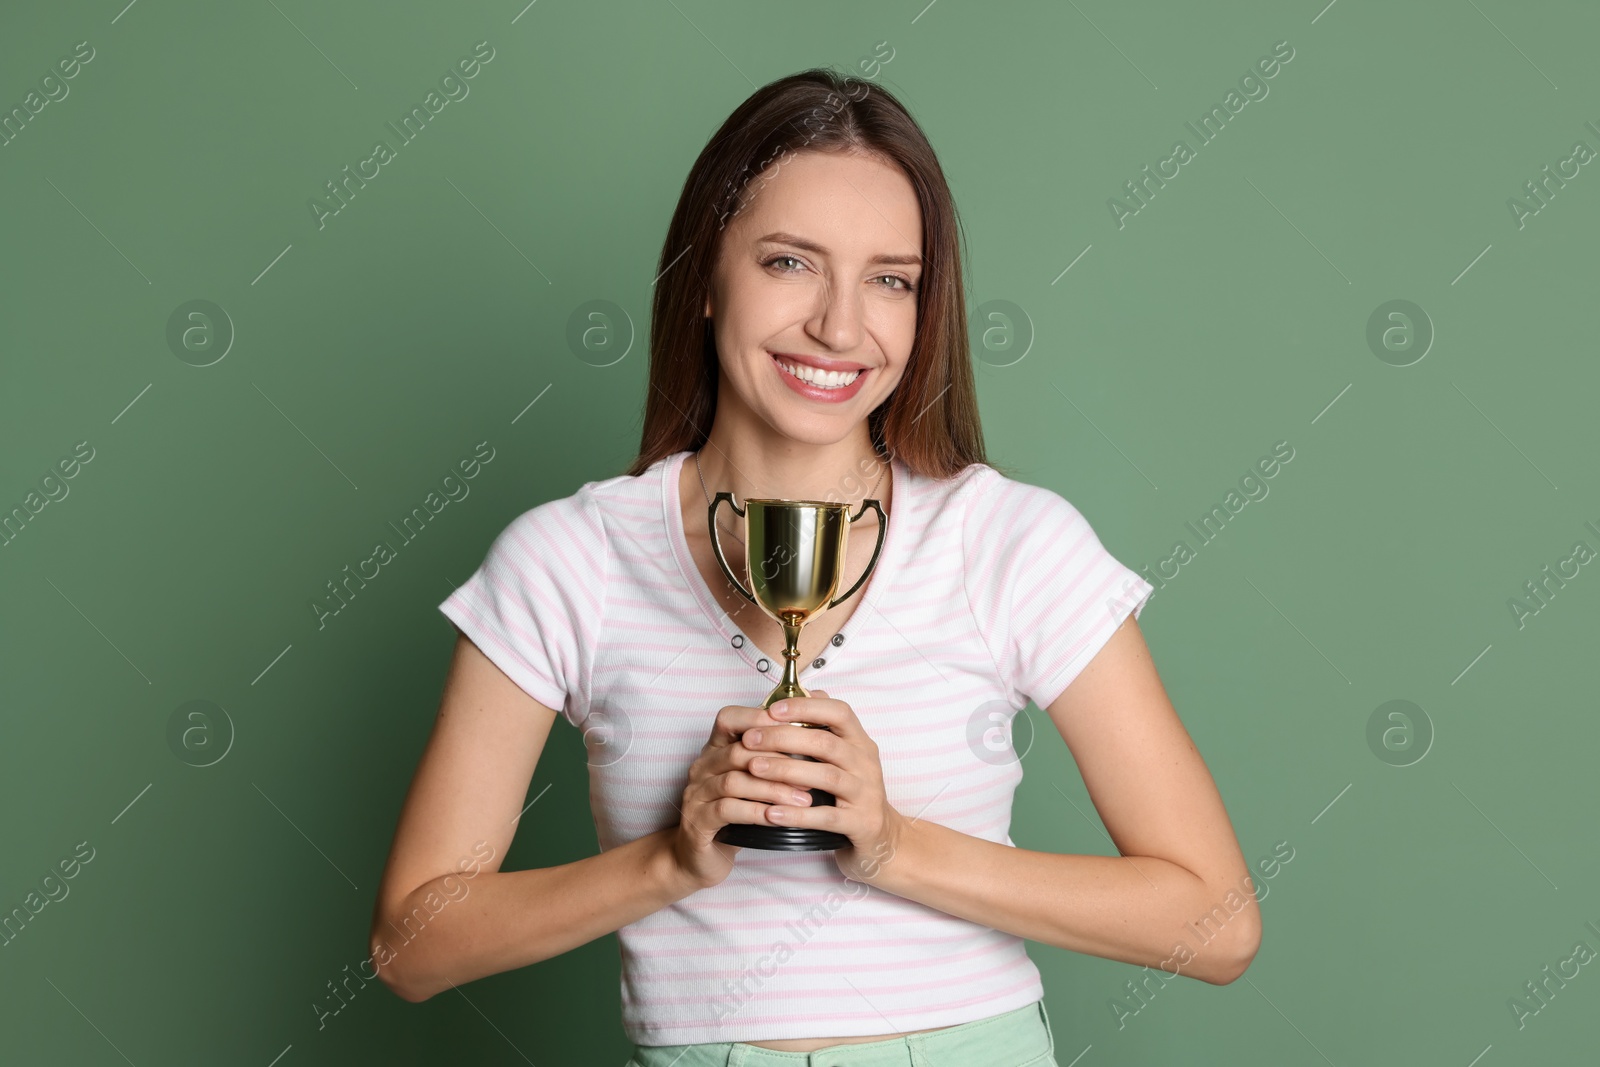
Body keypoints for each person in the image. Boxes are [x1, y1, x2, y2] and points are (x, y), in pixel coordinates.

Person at [369, 68, 1260, 1066]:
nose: (841, 327)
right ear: (705, 277)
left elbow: (1216, 922)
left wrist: (892, 845)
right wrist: (667, 859)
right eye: (790, 262)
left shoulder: (1006, 540)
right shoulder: (571, 557)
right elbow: (411, 944)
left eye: (890, 279)